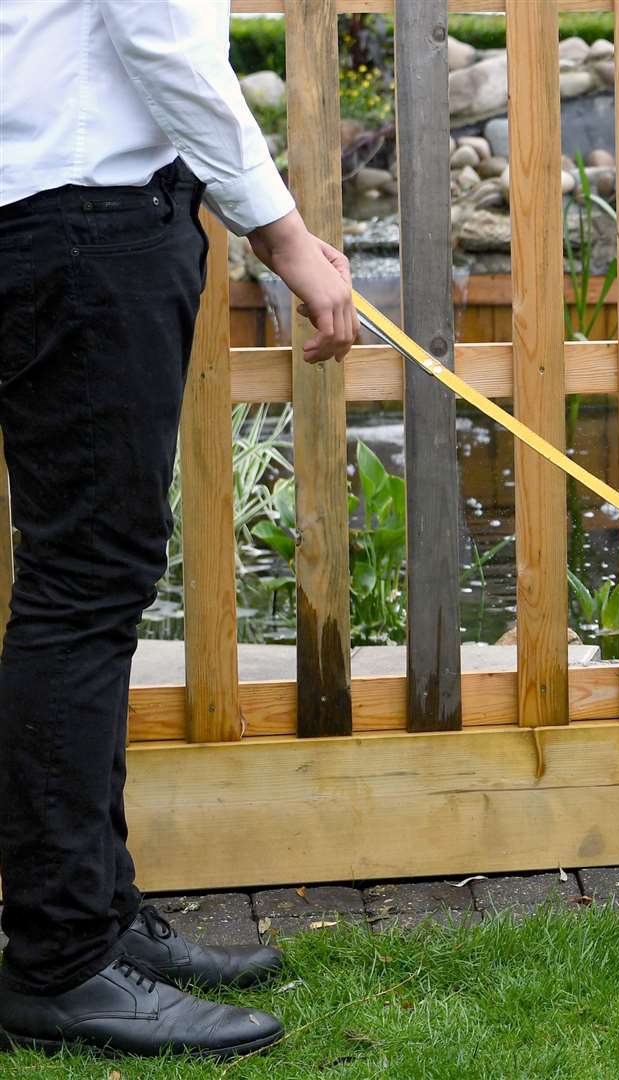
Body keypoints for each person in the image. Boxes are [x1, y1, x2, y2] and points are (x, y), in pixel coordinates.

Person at [0, 1, 355, 1058]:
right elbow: (160, 38)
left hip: (57, 209)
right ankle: (60, 960)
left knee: (79, 588)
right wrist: (282, 234)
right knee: (81, 590)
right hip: (84, 220)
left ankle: (94, 921)